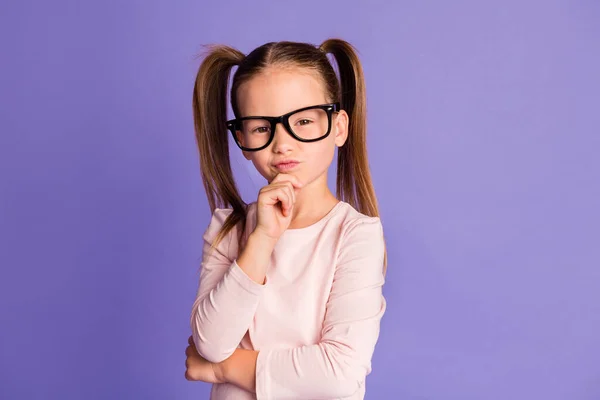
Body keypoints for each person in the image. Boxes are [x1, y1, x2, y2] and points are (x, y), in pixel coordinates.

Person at [184, 38, 388, 400]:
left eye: (304, 121)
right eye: (261, 127)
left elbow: (338, 376)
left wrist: (222, 369)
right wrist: (262, 237)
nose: (283, 144)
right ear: (242, 139)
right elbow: (211, 342)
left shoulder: (354, 236)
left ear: (339, 127)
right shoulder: (228, 230)